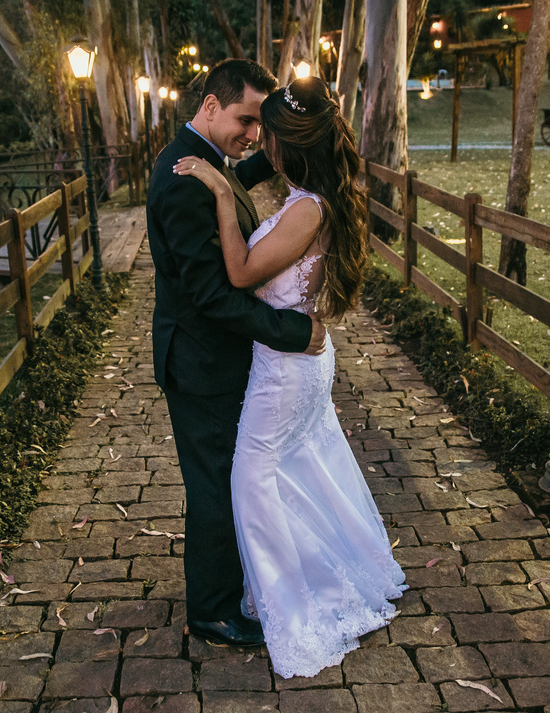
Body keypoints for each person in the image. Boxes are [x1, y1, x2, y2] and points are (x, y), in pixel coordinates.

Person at [174, 76, 406, 678]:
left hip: (286, 371)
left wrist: (222, 197)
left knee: (252, 478)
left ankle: (290, 602)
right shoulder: (311, 194)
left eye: (264, 132)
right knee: (303, 468)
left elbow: (243, 271)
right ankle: (323, 569)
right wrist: (224, 172)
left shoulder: (306, 211)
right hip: (297, 363)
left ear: (286, 144)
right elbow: (258, 179)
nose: (256, 142)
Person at [146, 59, 327, 647]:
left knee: (229, 476)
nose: (253, 134)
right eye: (246, 119)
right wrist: (294, 333)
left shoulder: (208, 159)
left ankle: (231, 588)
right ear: (210, 107)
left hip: (216, 357)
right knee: (214, 485)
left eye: (260, 125)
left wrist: (301, 140)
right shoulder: (181, 182)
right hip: (200, 360)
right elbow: (212, 300)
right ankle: (213, 611)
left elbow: (248, 166)